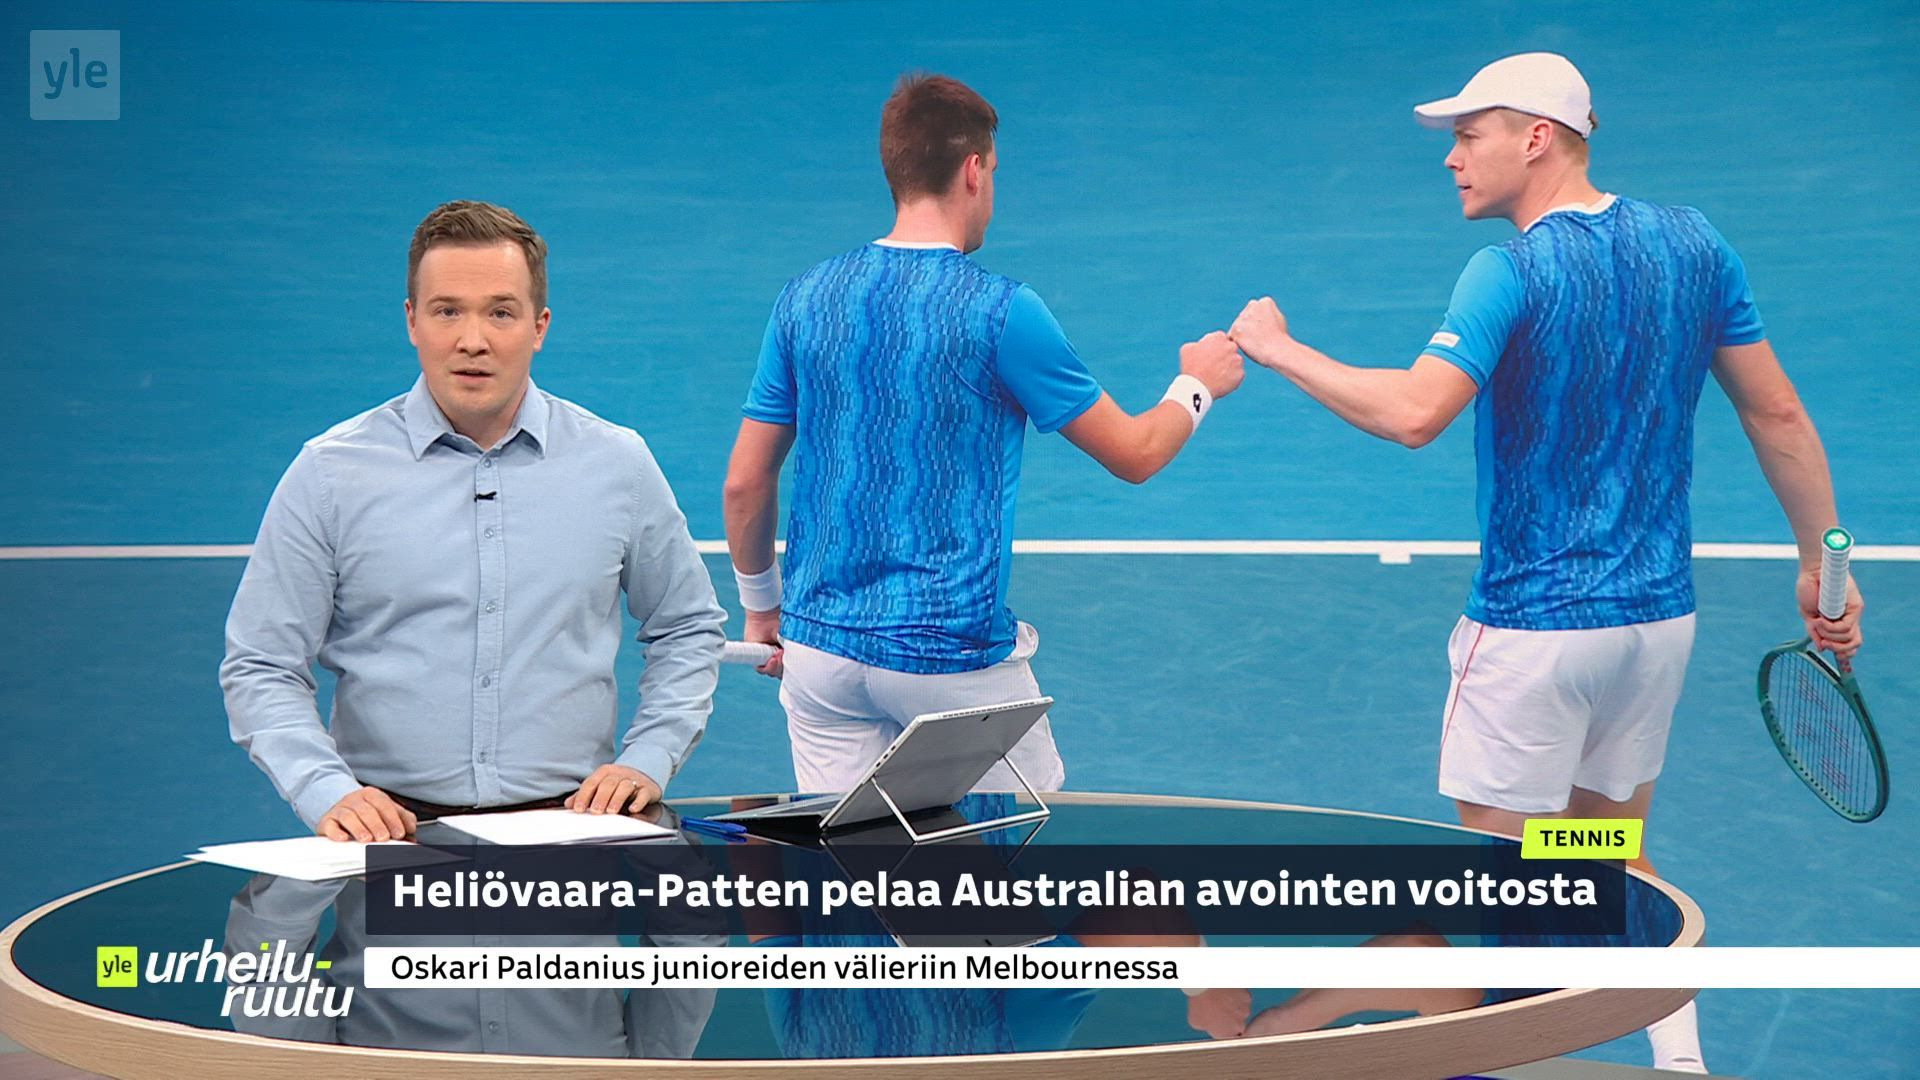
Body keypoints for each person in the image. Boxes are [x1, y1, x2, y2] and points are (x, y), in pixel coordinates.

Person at [1225, 53, 1864, 1073]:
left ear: (1535, 138)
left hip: (1534, 637)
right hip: (1654, 627)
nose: (1451, 158)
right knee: (1605, 854)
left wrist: (1278, 348)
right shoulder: (1696, 244)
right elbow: (1777, 411)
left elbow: (1416, 413)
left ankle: (1467, 1042)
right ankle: (1682, 1059)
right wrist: (1822, 559)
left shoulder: (1509, 271)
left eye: (1467, 135)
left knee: (1506, 886)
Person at [722, 73, 1245, 794]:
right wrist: (1197, 384)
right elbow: (1137, 453)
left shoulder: (803, 299)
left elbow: (745, 482)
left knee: (858, 855)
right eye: (993, 172)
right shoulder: (1001, 312)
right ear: (973, 171)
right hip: (952, 666)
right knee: (1025, 848)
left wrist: (762, 610)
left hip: (821, 662)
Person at [221, 200, 725, 842]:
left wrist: (648, 757)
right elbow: (262, 663)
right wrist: (326, 791)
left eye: (500, 313)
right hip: (390, 837)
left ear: (539, 326)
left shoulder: (618, 464)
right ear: (412, 320)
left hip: (571, 834)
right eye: (447, 311)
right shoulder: (328, 475)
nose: (472, 340)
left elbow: (687, 627)